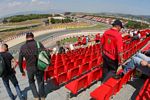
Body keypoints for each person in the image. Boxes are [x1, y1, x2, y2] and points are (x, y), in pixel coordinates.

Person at [19, 32, 45, 100]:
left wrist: (22, 70)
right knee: (40, 81)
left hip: (29, 68)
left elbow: (20, 60)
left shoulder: (22, 47)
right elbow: (46, 54)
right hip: (39, 66)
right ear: (33, 37)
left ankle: (36, 97)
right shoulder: (38, 43)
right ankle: (42, 96)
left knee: (31, 82)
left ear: (26, 38)